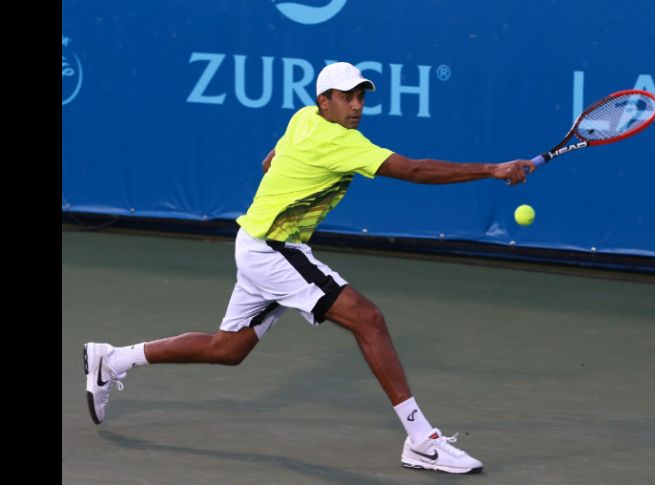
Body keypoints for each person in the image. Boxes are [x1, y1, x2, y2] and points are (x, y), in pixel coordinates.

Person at [84, 61, 535, 475]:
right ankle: (422, 440)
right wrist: (493, 169)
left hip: (256, 242)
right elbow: (415, 170)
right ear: (325, 101)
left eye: (361, 97)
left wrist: (286, 177)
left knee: (228, 349)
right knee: (368, 319)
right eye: (347, 97)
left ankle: (114, 359)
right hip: (273, 249)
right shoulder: (340, 141)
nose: (357, 106)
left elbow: (270, 160)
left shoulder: (303, 118)